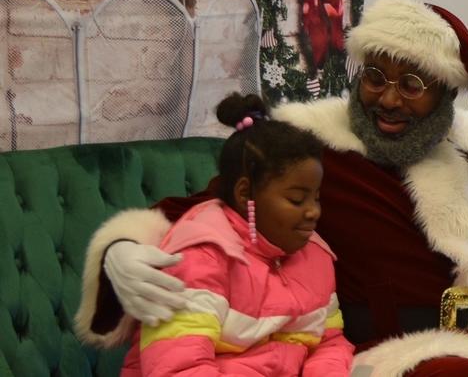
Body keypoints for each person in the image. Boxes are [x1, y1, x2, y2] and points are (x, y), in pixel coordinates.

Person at [76, 0, 468, 377]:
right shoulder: (309, 151)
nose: (388, 99)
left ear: (449, 93)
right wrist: (124, 250)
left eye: (412, 84)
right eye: (375, 77)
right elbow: (213, 208)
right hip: (382, 358)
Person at [118, 93, 354, 376]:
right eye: (296, 199)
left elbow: (329, 342)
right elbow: (179, 368)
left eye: (316, 198)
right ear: (245, 194)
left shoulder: (315, 256)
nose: (313, 211)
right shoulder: (199, 259)